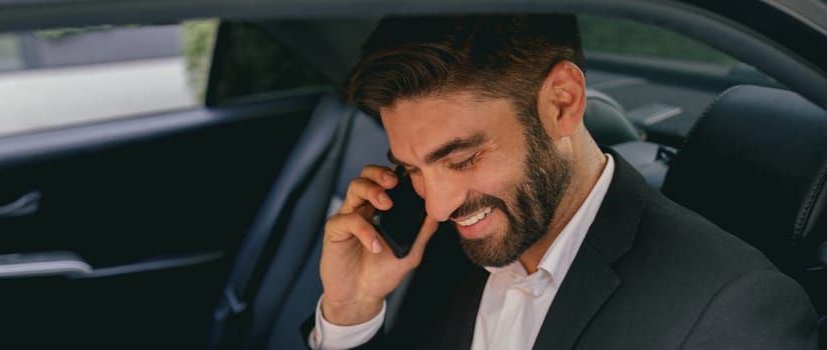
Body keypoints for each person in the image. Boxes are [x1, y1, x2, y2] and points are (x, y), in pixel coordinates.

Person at [304, 14, 818, 349]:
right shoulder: (441, 249)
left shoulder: (733, 312)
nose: (437, 205)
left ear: (562, 103)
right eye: (413, 169)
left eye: (461, 158)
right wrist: (351, 312)